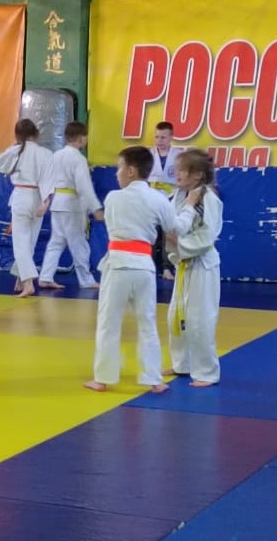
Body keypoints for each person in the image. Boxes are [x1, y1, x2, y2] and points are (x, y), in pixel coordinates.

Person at [84, 146, 200, 394]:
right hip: (144, 266)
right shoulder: (158, 199)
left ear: (131, 171)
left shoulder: (113, 198)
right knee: (147, 322)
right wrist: (189, 205)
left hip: (118, 264)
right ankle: (154, 379)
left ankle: (102, 378)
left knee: (108, 322)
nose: (116, 173)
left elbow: (113, 225)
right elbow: (177, 228)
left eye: (119, 168)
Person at [164, 149, 224, 387]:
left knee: (200, 319)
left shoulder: (210, 199)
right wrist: (173, 244)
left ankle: (207, 372)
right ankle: (182, 364)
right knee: (176, 317)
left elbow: (208, 235)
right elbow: (170, 225)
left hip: (202, 264)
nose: (176, 173)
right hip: (183, 263)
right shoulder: (178, 196)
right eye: (176, 168)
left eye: (182, 169)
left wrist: (179, 243)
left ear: (197, 175)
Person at [37, 121, 103, 290]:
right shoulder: (78, 159)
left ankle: (45, 276)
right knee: (79, 243)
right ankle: (86, 280)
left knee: (56, 242)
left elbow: (47, 180)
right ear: (81, 139)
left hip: (57, 202)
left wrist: (46, 200)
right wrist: (95, 208)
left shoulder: (56, 156)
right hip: (72, 205)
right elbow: (84, 186)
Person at [0, 119, 52, 298]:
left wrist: (15, 148)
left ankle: (28, 283)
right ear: (36, 133)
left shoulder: (14, 151)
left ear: (17, 135)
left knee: (21, 243)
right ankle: (20, 279)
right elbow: (48, 179)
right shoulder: (45, 153)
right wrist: (46, 201)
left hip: (21, 196)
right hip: (38, 197)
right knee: (30, 242)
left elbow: (1, 164)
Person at [149, 121, 182, 281]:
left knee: (169, 233)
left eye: (163, 137)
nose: (159, 141)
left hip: (172, 196)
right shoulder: (148, 155)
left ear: (171, 137)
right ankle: (149, 266)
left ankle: (167, 268)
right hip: (152, 196)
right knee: (151, 233)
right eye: (157, 137)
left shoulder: (179, 155)